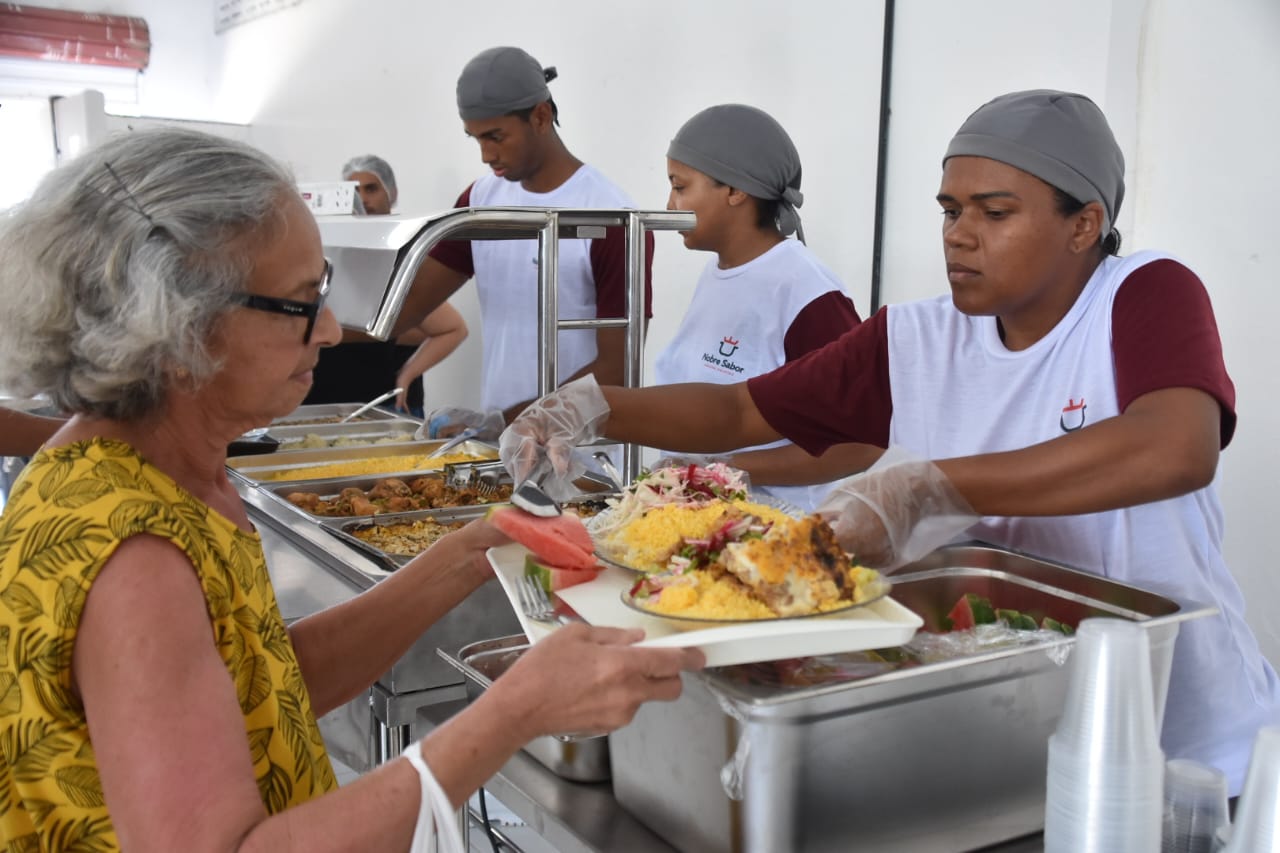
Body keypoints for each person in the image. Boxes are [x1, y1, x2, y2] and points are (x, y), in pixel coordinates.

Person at [499, 89, 1280, 795]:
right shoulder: (913, 338)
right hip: (1008, 727)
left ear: (1084, 224)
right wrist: (590, 406)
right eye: (949, 210)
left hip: (1183, 740)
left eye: (994, 212)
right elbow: (741, 411)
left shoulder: (1141, 294)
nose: (960, 236)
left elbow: (1174, 447)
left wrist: (926, 487)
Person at [0, 126, 703, 852]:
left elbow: (266, 682)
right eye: (302, 303)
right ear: (181, 323)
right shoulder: (133, 553)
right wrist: (514, 711)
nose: (332, 330)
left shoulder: (172, 473)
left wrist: (475, 546)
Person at [392, 45, 656, 440]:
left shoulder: (611, 216)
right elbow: (405, 307)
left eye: (496, 137)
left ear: (541, 116)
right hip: (503, 448)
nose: (485, 154)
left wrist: (504, 422)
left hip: (582, 457)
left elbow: (618, 369)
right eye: (475, 138)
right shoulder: (479, 202)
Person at [651, 103, 862, 511]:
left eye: (680, 187)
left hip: (770, 533)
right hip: (697, 515)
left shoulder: (806, 293)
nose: (670, 205)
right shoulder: (719, 272)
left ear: (734, 190)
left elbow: (859, 443)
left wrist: (728, 469)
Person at [304, 155, 468, 417]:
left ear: (391, 194)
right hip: (326, 397)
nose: (363, 199)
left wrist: (406, 365)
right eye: (354, 192)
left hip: (382, 400)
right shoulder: (330, 251)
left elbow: (448, 327)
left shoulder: (397, 256)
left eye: (371, 188)